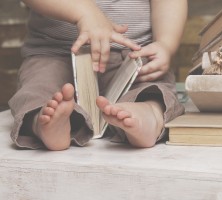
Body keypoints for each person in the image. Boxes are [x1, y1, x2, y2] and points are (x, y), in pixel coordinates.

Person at [9, 0, 187, 150]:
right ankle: (44, 123)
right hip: (55, 54)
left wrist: (165, 42)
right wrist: (84, 12)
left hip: (131, 56)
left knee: (153, 88)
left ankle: (149, 113)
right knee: (39, 88)